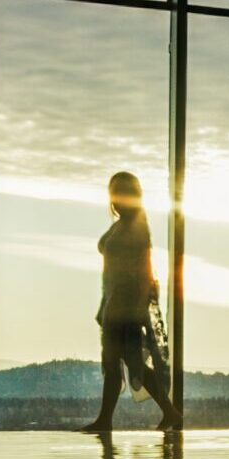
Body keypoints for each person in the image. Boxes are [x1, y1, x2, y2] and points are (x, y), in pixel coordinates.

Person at [81, 170, 182, 433]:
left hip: (125, 304)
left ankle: (108, 420)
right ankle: (166, 412)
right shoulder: (123, 224)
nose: (115, 199)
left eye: (120, 193)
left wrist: (137, 308)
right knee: (123, 360)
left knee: (121, 360)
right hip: (115, 302)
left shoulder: (136, 226)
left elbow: (144, 270)